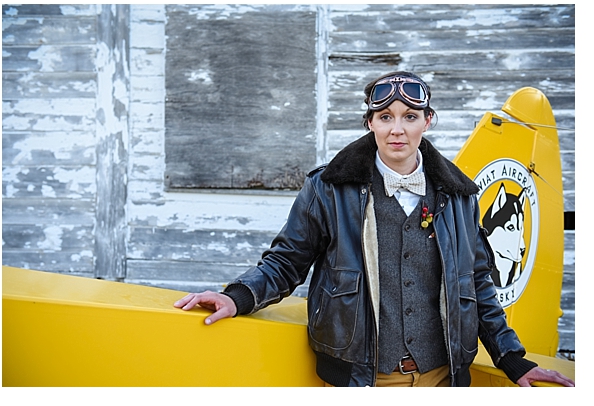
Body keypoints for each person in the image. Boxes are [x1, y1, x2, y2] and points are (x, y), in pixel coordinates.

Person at [174, 71, 574, 388]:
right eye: (385, 118)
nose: (396, 130)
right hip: (361, 380)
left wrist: (511, 358)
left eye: (409, 117)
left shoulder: (460, 197)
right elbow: (286, 262)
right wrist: (237, 296)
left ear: (427, 121)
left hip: (441, 378)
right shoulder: (327, 189)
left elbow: (478, 284)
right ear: (370, 122)